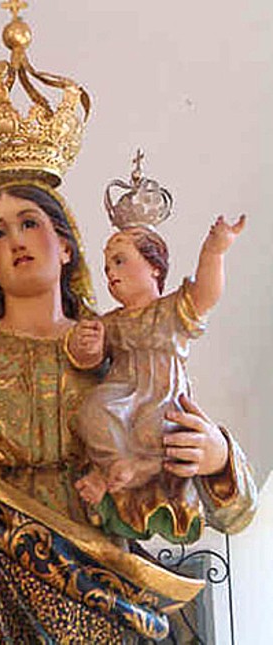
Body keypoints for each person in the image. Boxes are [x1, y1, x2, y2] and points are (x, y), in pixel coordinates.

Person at [0, 183, 256, 644]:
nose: (16, 240)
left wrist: (218, 457)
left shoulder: (117, 347)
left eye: (29, 223)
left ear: (65, 247)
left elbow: (235, 513)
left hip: (101, 583)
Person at [67, 217, 247, 543]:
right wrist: (88, 347)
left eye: (119, 261)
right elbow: (90, 359)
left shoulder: (172, 309)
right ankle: (111, 470)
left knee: (162, 430)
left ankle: (135, 471)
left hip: (162, 393)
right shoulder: (111, 322)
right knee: (93, 410)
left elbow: (206, 293)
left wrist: (214, 251)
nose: (110, 273)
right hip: (122, 394)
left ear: (154, 266)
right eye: (107, 267)